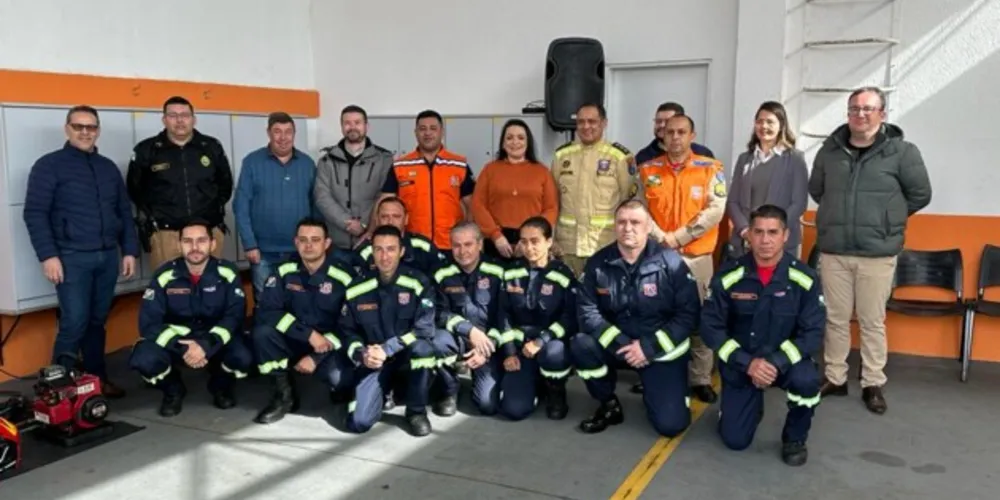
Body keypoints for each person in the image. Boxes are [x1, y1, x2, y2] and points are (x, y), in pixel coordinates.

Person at [808, 86, 931, 414]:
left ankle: (872, 382)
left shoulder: (902, 152)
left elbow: (920, 195)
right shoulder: (829, 152)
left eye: (867, 109)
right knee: (834, 318)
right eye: (854, 109)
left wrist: (886, 220)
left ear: (882, 114)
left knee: (872, 320)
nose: (859, 115)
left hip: (877, 253)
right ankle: (834, 377)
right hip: (834, 251)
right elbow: (817, 190)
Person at [22, 105, 137, 398]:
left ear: (97, 130)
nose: (85, 132)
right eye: (78, 126)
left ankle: (95, 382)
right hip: (71, 257)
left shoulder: (107, 167)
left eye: (91, 127)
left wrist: (129, 251)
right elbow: (35, 213)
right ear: (67, 129)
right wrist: (48, 256)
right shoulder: (49, 166)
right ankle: (59, 391)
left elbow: (123, 211)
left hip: (107, 256)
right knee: (75, 321)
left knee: (97, 321)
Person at [700, 204, 824, 466]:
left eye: (772, 232)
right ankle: (744, 407)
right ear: (748, 235)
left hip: (785, 361)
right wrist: (748, 363)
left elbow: (813, 332)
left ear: (785, 235)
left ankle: (795, 438)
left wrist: (776, 362)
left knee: (807, 381)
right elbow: (711, 327)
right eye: (758, 232)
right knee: (735, 441)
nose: (765, 240)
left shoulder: (804, 278)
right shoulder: (729, 275)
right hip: (741, 362)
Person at [571, 200, 701, 436]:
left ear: (649, 226)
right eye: (621, 222)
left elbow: (688, 315)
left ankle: (662, 390)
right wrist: (623, 345)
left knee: (671, 426)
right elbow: (587, 312)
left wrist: (648, 347)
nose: (627, 228)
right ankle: (607, 402)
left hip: (661, 349)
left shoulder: (670, 263)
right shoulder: (598, 263)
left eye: (635, 222)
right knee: (581, 344)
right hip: (618, 346)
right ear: (614, 226)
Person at [634, 113, 724, 403]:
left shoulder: (710, 169)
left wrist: (680, 237)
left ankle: (699, 378)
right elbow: (640, 208)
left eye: (681, 132)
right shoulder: (647, 169)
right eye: (670, 132)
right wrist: (662, 238)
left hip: (697, 258)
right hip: (657, 257)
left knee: (700, 318)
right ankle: (657, 370)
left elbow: (715, 210)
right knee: (657, 316)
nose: (675, 137)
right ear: (662, 135)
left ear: (692, 136)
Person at [129, 220, 252, 417]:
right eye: (188, 241)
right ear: (179, 245)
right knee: (144, 358)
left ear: (212, 244)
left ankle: (220, 385)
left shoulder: (227, 272)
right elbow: (149, 323)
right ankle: (173, 389)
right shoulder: (165, 274)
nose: (194, 247)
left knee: (243, 356)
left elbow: (234, 317)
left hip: (214, 340)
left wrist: (206, 344)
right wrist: (183, 347)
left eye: (201, 241)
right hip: (177, 342)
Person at [251, 217, 358, 424]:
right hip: (294, 338)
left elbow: (351, 325)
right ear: (296, 242)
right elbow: (268, 311)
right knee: (262, 333)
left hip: (330, 344)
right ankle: (284, 396)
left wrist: (316, 357)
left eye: (315, 240)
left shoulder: (345, 276)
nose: (308, 245)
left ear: (327, 243)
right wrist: (308, 334)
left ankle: (341, 388)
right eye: (303, 240)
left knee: (339, 378)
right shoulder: (284, 270)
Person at [341, 225, 439, 437]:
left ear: (401, 251)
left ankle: (416, 411)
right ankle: (381, 392)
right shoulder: (357, 288)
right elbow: (347, 332)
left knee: (424, 350)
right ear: (372, 252)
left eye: (391, 249)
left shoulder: (418, 282)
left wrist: (388, 348)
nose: (385, 256)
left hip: (405, 356)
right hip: (373, 361)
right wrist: (362, 354)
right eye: (379, 249)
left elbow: (424, 328)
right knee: (358, 422)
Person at [127, 96, 233, 269]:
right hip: (166, 233)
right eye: (173, 115)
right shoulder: (147, 149)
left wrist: (212, 209)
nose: (179, 120)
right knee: (170, 287)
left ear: (193, 118)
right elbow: (134, 188)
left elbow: (225, 184)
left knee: (211, 284)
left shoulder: (211, 146)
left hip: (208, 230)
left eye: (184, 115)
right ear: (164, 119)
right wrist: (156, 214)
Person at [497, 217, 576, 420]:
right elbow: (503, 315)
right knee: (514, 410)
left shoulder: (563, 273)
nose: (529, 247)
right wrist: (509, 353)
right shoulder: (511, 271)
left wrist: (542, 341)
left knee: (554, 353)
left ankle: (555, 390)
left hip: (548, 345)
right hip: (520, 349)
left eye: (535, 241)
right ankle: (535, 382)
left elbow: (570, 318)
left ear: (549, 242)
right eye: (523, 241)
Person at [552, 103, 643, 277]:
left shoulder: (620, 157)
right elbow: (553, 200)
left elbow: (629, 203)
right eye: (581, 122)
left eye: (592, 121)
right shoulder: (561, 156)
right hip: (568, 246)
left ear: (604, 123)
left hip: (605, 244)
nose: (586, 126)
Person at [232, 111, 317, 298]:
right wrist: (249, 245)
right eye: (277, 131)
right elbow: (241, 206)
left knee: (299, 300)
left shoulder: (307, 164)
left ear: (294, 134)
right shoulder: (252, 162)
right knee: (266, 302)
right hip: (263, 253)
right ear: (268, 133)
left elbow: (316, 208)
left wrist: (316, 244)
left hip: (300, 251)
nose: (283, 137)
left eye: (288, 131)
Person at [430, 222, 506, 416]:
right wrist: (469, 330)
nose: (462, 251)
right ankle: (449, 389)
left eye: (468, 244)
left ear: (480, 244)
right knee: (436, 341)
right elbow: (438, 313)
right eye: (456, 245)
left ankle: (482, 376)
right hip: (457, 338)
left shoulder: (498, 272)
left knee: (487, 406)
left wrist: (488, 347)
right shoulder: (441, 273)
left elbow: (504, 317)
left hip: (488, 343)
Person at [373, 110, 475, 250]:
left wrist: (470, 238)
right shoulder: (400, 166)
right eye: (422, 129)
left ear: (442, 132)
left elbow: (473, 205)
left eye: (433, 128)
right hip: (412, 244)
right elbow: (383, 204)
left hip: (451, 244)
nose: (428, 133)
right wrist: (372, 233)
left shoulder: (458, 165)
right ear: (415, 133)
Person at [727, 101, 808, 259]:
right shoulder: (744, 159)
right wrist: (745, 231)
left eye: (770, 122)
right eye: (760, 121)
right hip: (746, 244)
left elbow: (798, 203)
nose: (764, 126)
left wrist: (772, 231)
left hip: (781, 245)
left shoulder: (795, 159)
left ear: (781, 125)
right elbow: (733, 202)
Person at [470, 119, 558, 263]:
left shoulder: (542, 172)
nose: (515, 142)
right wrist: (496, 236)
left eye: (521, 137)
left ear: (528, 142)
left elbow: (551, 208)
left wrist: (528, 238)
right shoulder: (489, 170)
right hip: (497, 241)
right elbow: (478, 205)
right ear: (503, 144)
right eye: (509, 138)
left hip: (532, 242)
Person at [314, 105, 394, 251]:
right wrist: (347, 223)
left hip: (373, 241)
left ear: (366, 126)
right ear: (341, 126)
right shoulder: (327, 161)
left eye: (357, 122)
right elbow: (322, 197)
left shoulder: (384, 160)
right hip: (336, 242)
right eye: (347, 123)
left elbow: (384, 197)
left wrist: (364, 225)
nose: (352, 127)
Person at [352, 196, 444, 274]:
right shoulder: (365, 249)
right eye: (384, 217)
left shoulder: (423, 247)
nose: (390, 221)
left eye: (396, 216)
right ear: (377, 219)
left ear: (406, 219)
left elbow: (442, 278)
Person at [635, 102, 715, 166]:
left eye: (668, 121)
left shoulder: (703, 154)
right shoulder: (643, 157)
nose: (662, 125)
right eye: (658, 121)